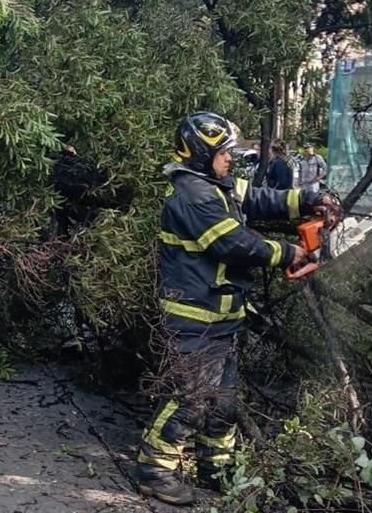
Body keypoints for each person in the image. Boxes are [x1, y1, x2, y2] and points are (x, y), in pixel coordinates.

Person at [135, 112, 341, 505]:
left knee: (225, 401)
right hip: (195, 315)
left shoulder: (216, 186)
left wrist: (310, 199)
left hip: (224, 314)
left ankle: (218, 468)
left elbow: (262, 198)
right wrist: (289, 252)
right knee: (191, 396)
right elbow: (233, 244)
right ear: (200, 153)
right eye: (223, 151)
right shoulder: (192, 195)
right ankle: (154, 471)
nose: (231, 158)